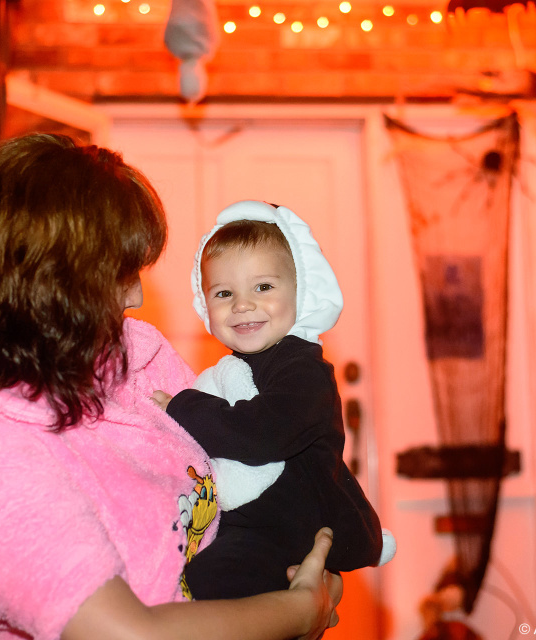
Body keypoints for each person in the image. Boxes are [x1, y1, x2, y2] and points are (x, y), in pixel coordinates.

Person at [0, 133, 342, 640]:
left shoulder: (127, 354)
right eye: (121, 272)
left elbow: (252, 477)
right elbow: (128, 635)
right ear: (46, 281)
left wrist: (310, 564)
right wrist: (301, 608)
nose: (138, 293)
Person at [152, 200, 393, 600]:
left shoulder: (304, 369)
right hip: (251, 522)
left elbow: (262, 433)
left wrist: (183, 408)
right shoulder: (232, 368)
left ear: (302, 292)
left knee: (209, 586)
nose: (242, 305)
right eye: (224, 292)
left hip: (293, 527)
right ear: (204, 303)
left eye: (263, 287)